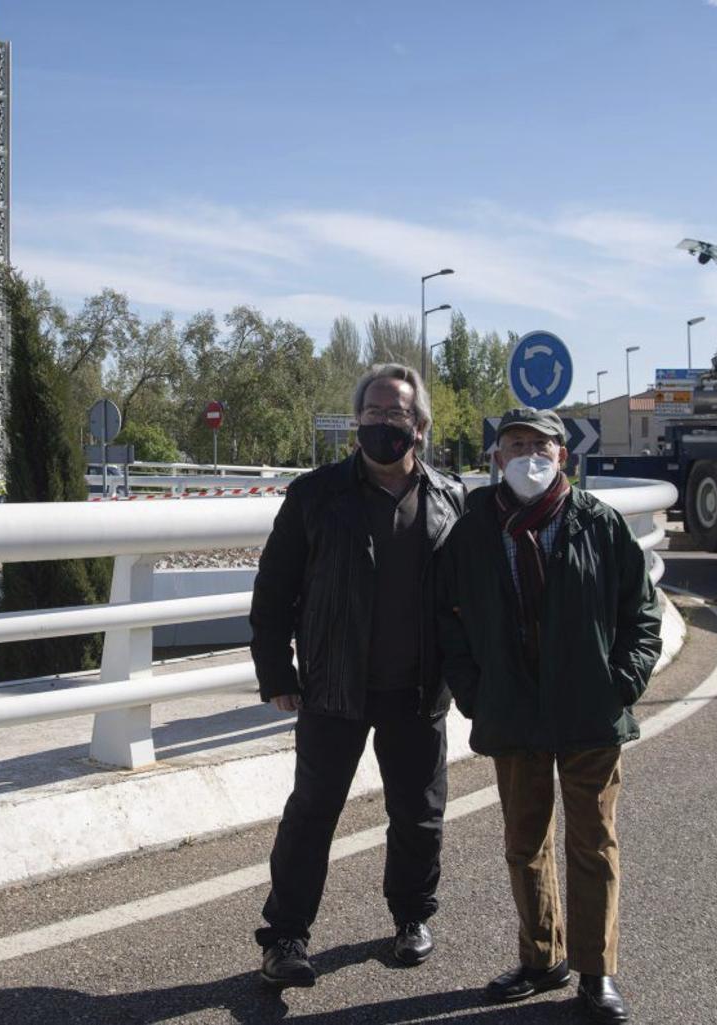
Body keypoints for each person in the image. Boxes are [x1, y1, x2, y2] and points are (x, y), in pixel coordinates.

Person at [437, 407, 661, 1023]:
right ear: (496, 458)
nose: (529, 455)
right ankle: (542, 958)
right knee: (524, 841)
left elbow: (642, 615)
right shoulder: (473, 529)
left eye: (541, 445)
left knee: (594, 844)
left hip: (591, 711)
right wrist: (473, 692)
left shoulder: (600, 525)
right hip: (512, 710)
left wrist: (622, 683)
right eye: (515, 444)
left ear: (564, 456)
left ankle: (597, 972)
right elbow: (446, 620)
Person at [250, 362, 467, 987]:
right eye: (371, 414)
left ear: (419, 427)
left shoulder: (452, 500)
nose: (382, 425)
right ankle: (286, 936)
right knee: (312, 814)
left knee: (419, 815)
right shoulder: (315, 495)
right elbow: (274, 593)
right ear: (356, 426)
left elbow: (470, 599)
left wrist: (472, 677)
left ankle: (411, 917)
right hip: (332, 688)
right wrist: (276, 672)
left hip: (418, 689)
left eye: (395, 415)